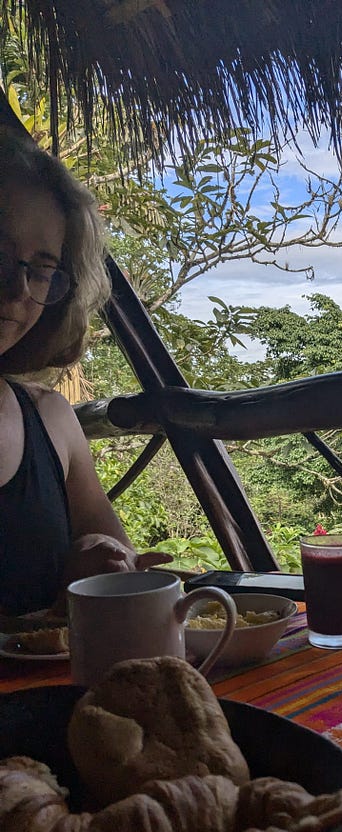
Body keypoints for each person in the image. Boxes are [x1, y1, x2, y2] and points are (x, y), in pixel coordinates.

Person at [0, 128, 171, 616]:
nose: (16, 289)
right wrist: (55, 610)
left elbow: (120, 577)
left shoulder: (51, 420)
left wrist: (106, 566)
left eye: (40, 268)